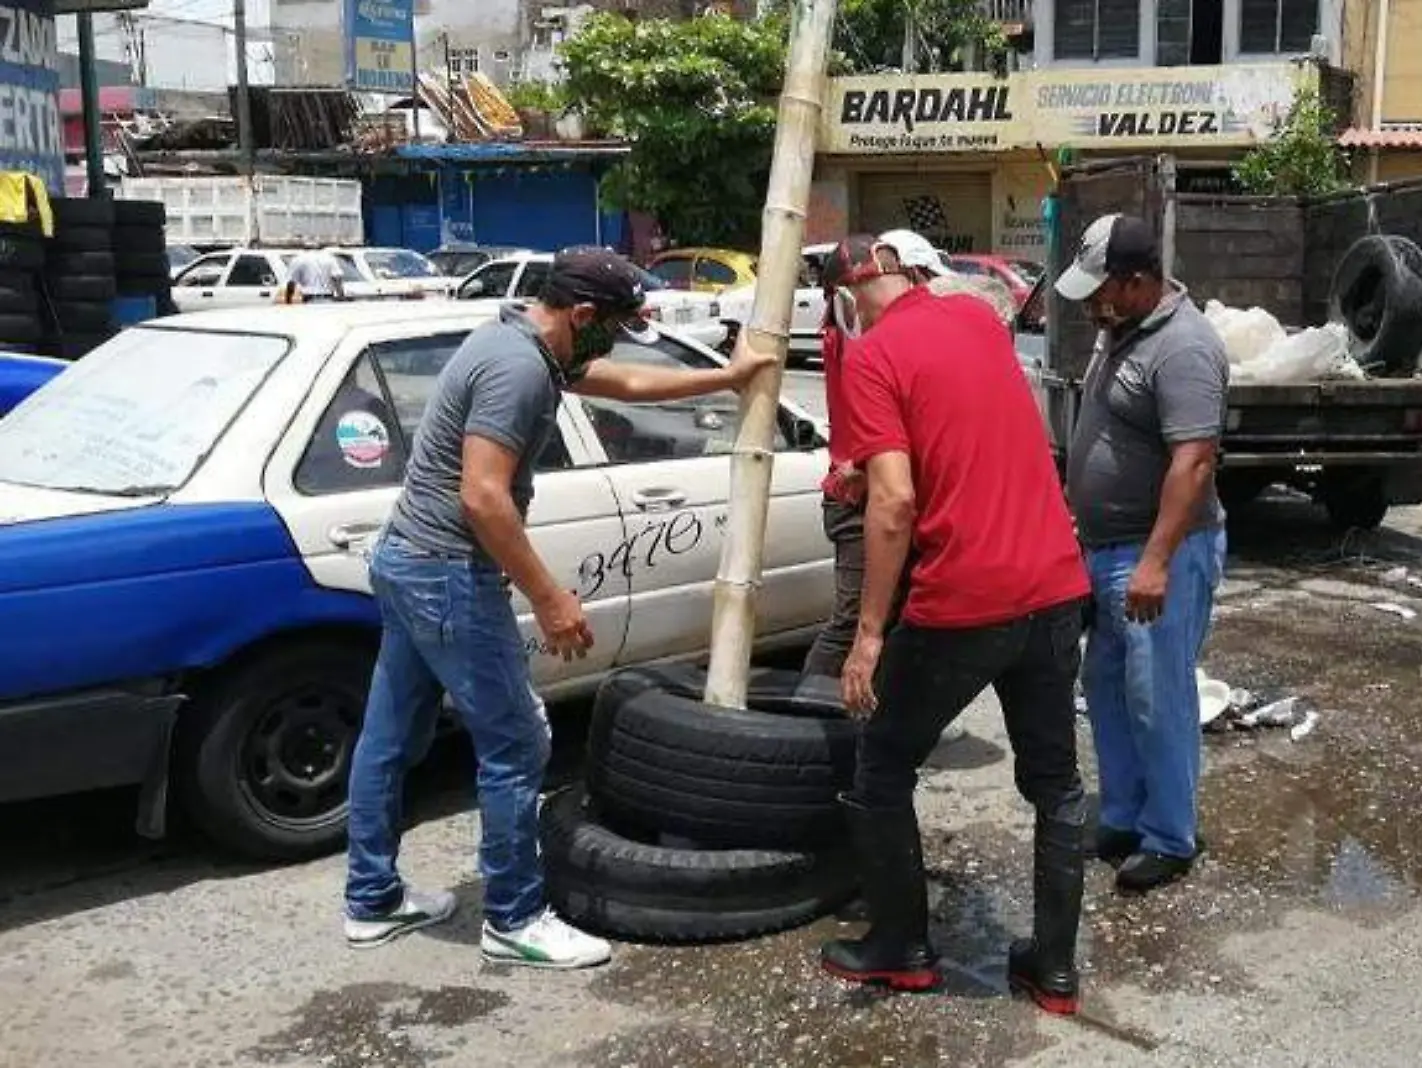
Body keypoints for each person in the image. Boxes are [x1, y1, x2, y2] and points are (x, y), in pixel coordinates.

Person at [343, 249, 774, 969]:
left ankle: (373, 899)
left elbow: (628, 381)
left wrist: (728, 378)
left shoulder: (521, 342)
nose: (623, 335)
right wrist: (550, 598)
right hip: (447, 572)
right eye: (618, 322)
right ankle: (514, 918)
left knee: (388, 736)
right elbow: (482, 495)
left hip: (406, 560)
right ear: (581, 315)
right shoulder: (518, 371)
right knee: (516, 744)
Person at [815, 232, 1094, 1016]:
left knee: (881, 769)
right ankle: (1055, 970)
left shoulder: (871, 356)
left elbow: (896, 502)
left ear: (846, 293)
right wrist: (863, 469)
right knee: (1057, 787)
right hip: (1053, 584)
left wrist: (869, 635)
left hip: (964, 599)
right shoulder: (976, 319)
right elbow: (958, 433)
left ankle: (899, 949)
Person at [1055, 213, 1229, 894]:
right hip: (1103, 546)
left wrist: (1156, 560)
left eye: (1103, 290)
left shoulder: (1184, 346)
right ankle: (1125, 814)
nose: (1094, 303)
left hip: (1161, 550)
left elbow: (1194, 462)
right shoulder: (1120, 330)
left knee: (1158, 697)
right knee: (1104, 687)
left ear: (1135, 281)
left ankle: (1169, 835)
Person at [801, 229, 949, 682]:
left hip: (870, 483)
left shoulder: (862, 333)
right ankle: (807, 716)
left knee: (894, 616)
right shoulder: (857, 336)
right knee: (854, 622)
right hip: (856, 491)